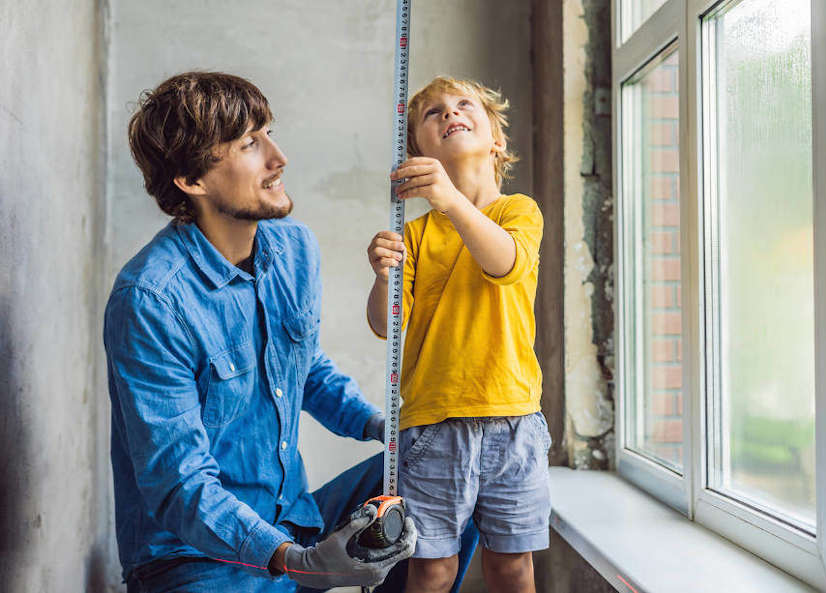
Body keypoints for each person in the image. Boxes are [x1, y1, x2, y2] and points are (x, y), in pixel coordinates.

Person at [104, 71, 478, 593]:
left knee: (458, 468)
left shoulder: (293, 248)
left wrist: (382, 428)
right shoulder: (151, 300)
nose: (278, 158)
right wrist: (299, 561)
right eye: (249, 144)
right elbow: (179, 487)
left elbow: (303, 369)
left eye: (269, 132)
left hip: (297, 523)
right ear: (192, 180)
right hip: (193, 559)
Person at [366, 76, 551, 593]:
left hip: (513, 419)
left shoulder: (518, 212)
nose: (450, 114)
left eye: (464, 105)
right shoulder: (414, 235)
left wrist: (450, 201)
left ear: (497, 140)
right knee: (430, 568)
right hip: (431, 426)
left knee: (513, 566)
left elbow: (504, 264)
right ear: (418, 153)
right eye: (432, 114)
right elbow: (386, 326)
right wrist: (383, 279)